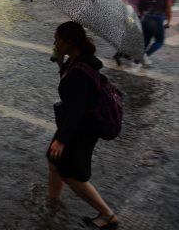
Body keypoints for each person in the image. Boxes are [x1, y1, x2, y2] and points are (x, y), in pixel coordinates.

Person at [48, 21, 119, 229]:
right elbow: (70, 90)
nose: (54, 43)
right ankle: (51, 202)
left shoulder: (81, 70)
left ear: (70, 42)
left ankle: (107, 216)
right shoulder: (77, 60)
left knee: (72, 174)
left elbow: (76, 109)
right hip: (75, 125)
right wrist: (61, 63)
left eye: (57, 40)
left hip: (81, 129)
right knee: (53, 162)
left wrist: (61, 140)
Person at [139, 0, 173, 65]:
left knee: (145, 40)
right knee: (159, 41)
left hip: (146, 17)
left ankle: (138, 59)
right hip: (157, 19)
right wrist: (168, 21)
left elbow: (141, 6)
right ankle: (145, 55)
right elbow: (168, 10)